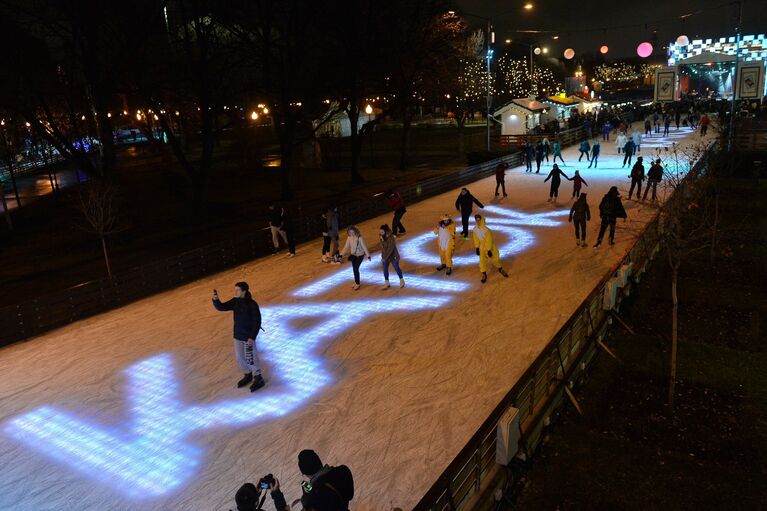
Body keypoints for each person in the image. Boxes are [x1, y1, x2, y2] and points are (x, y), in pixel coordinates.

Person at [212, 282, 265, 392]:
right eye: (235, 290)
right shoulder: (235, 301)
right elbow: (222, 307)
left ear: (244, 291)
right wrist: (216, 300)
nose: (235, 292)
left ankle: (258, 377)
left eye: (237, 290)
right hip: (237, 335)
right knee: (240, 357)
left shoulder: (252, 304)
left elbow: (257, 321)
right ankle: (247, 374)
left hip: (248, 336)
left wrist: (252, 336)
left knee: (251, 358)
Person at [473, 213, 509, 283]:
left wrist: (489, 250)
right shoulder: (475, 229)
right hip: (481, 248)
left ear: (481, 220)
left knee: (495, 259)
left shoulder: (486, 230)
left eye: (479, 220)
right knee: (482, 261)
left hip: (489, 247)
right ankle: (484, 274)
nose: (478, 222)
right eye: (476, 220)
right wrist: (477, 247)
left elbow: (489, 240)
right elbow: (476, 239)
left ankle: (500, 269)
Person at [341, 225, 370, 290]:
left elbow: (364, 247)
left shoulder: (359, 238)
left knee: (355, 269)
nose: (351, 234)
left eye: (352, 232)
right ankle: (356, 282)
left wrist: (368, 255)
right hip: (353, 256)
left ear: (355, 231)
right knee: (354, 269)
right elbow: (346, 247)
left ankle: (357, 283)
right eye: (350, 232)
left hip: (360, 256)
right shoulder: (349, 238)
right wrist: (341, 254)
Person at [379, 224, 405, 289]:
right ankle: (386, 282)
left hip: (393, 256)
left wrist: (385, 258)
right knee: (385, 268)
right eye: (380, 232)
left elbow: (390, 249)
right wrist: (383, 257)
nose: (380, 233)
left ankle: (401, 279)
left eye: (382, 232)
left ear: (386, 231)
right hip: (386, 256)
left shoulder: (390, 237)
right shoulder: (382, 237)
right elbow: (382, 248)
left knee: (396, 267)